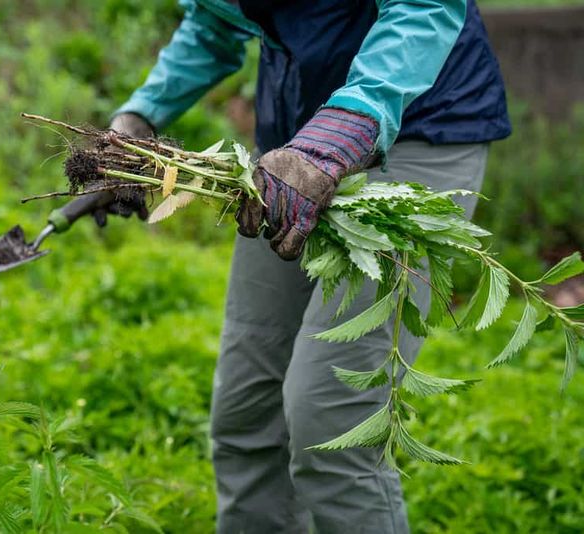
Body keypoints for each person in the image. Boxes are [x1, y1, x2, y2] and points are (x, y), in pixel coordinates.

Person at [103, 1, 511, 532]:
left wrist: (339, 135)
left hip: (420, 125)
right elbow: (213, 19)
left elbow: (424, 6)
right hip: (291, 143)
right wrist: (141, 118)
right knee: (248, 412)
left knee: (332, 419)